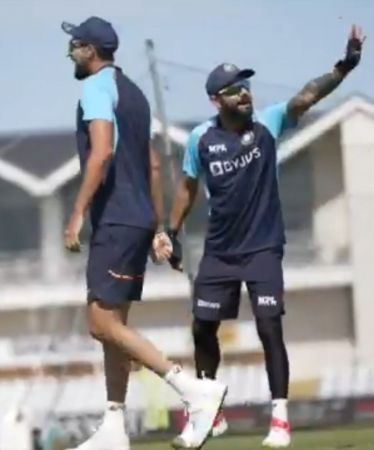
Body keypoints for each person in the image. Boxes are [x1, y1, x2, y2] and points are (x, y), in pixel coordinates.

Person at [164, 25, 365, 448]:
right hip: (220, 252)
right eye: (235, 89)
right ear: (216, 100)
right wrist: (172, 231)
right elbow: (187, 187)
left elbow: (307, 96)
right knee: (202, 329)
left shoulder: (269, 123)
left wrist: (343, 67)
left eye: (247, 86)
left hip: (263, 248)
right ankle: (209, 411)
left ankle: (279, 420)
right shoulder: (201, 139)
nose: (245, 94)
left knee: (269, 327)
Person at [61, 16, 227, 450]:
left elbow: (101, 153)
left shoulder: (96, 88)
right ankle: (114, 427)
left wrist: (77, 212)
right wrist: (154, 227)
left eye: (74, 46)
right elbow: (152, 165)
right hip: (134, 220)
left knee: (100, 323)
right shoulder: (133, 93)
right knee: (114, 325)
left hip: (114, 219)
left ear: (91, 51)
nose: (70, 53)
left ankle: (194, 391)